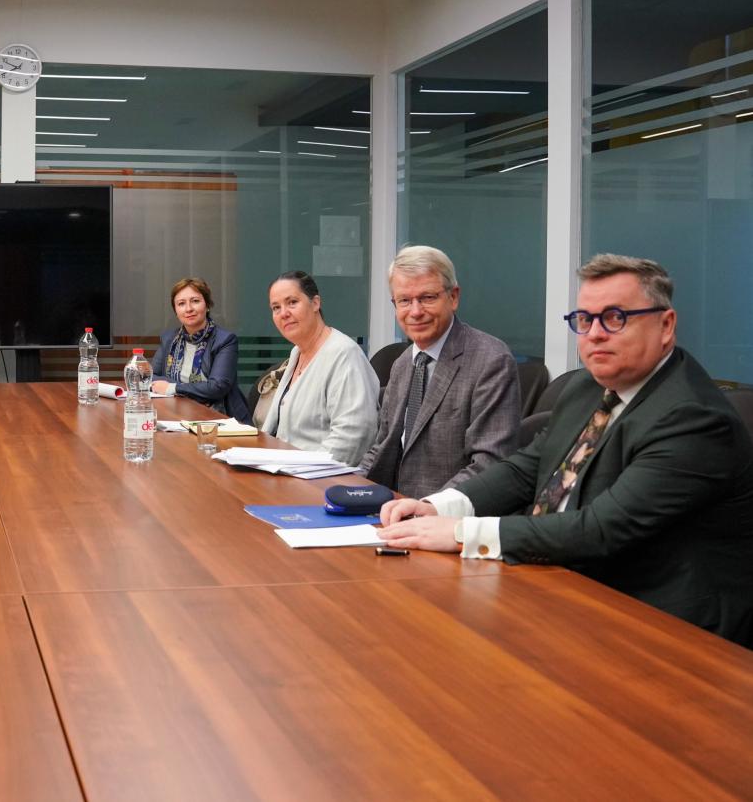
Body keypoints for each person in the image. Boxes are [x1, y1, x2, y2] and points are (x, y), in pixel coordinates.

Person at [378, 254, 753, 646]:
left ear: (666, 325)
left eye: (615, 318)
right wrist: (439, 507)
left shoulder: (693, 418)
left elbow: (601, 529)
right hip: (566, 585)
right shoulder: (588, 386)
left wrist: (460, 533)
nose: (595, 334)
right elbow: (526, 468)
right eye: (585, 320)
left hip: (662, 624)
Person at [360, 245, 520, 498]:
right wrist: (350, 490)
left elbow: (489, 464)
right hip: (393, 505)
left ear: (453, 297)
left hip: (446, 513)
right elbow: (382, 448)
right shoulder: (403, 363)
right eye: (404, 301)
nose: (415, 312)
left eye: (427, 298)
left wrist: (428, 507)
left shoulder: (491, 361)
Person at [256, 272, 378, 466]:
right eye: (276, 307)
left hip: (321, 476)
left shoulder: (344, 354)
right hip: (285, 468)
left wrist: (299, 471)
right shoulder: (297, 352)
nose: (283, 313)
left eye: (292, 302)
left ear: (315, 303)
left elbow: (352, 437)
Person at [149, 277, 250, 422]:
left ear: (207, 305)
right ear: (176, 310)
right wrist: (196, 389)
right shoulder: (169, 338)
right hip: (177, 414)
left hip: (220, 418)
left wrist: (172, 388)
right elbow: (151, 376)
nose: (189, 309)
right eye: (181, 303)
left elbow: (217, 387)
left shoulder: (225, 340)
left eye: (195, 301)